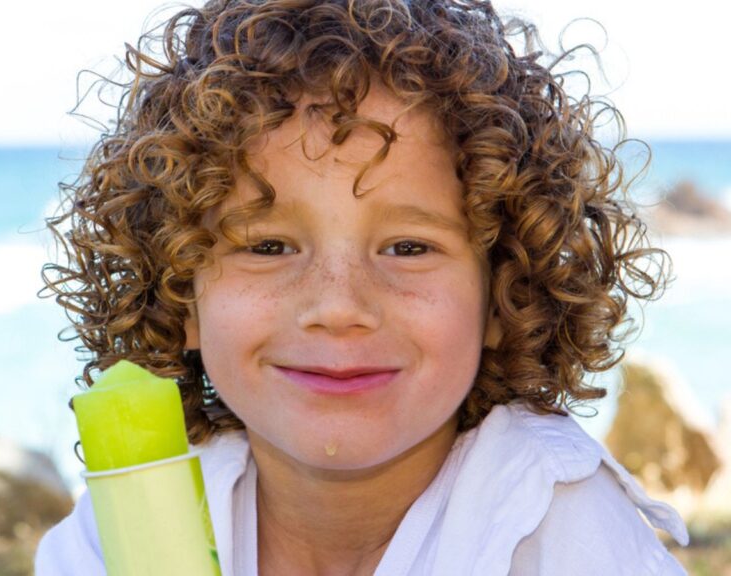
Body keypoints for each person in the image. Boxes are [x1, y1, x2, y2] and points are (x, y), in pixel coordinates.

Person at [35, 0, 688, 573]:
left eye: (409, 248)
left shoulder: (553, 523)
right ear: (181, 295)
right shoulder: (113, 536)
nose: (338, 307)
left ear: (503, 296)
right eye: (268, 247)